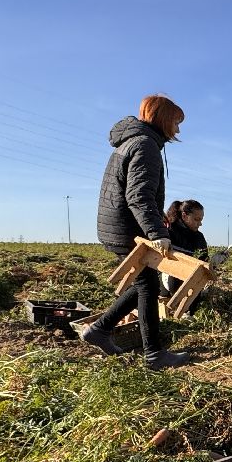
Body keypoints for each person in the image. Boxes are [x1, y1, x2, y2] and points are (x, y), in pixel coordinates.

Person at [83, 95, 192, 368]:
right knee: (147, 287)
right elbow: (138, 196)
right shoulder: (145, 145)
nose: (178, 129)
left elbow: (135, 193)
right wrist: (157, 233)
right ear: (163, 119)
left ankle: (100, 330)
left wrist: (157, 220)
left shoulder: (133, 141)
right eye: (176, 122)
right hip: (127, 228)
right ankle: (154, 354)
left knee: (145, 285)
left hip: (118, 225)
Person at [161, 199, 209, 309]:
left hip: (190, 280)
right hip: (167, 279)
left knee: (195, 278)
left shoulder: (199, 237)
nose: (200, 224)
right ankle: (184, 308)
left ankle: (189, 310)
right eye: (196, 219)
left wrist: (213, 262)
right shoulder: (168, 231)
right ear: (184, 216)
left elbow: (204, 260)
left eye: (201, 220)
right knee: (176, 275)